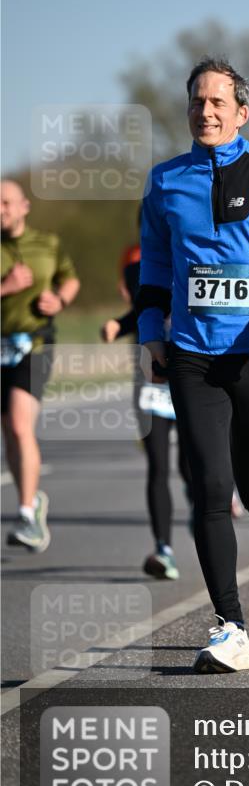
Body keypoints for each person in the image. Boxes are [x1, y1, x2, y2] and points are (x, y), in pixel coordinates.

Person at [137, 57, 249, 673]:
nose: (205, 111)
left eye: (217, 102)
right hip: (192, 354)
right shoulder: (165, 180)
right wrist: (150, 331)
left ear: (241, 112)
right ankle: (230, 628)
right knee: (211, 488)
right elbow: (155, 264)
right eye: (197, 101)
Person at [101, 209, 192, 580]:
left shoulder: (198, 257)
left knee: (192, 466)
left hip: (192, 378)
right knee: (157, 465)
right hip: (153, 380)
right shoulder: (135, 270)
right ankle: (163, 549)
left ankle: (206, 511)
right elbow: (143, 309)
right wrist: (119, 324)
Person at [1, 179, 80, 551]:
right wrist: (7, 287)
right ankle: (31, 502)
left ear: (24, 207)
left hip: (34, 344)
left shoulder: (47, 243)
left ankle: (26, 515)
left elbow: (71, 279)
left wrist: (59, 300)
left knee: (19, 424)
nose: (1, 210)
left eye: (6, 203)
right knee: (10, 432)